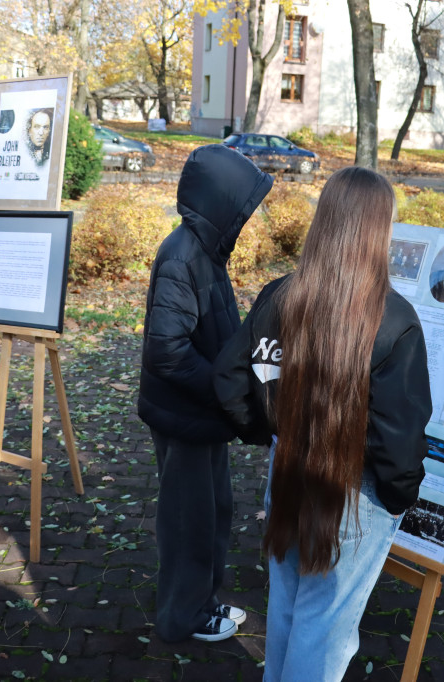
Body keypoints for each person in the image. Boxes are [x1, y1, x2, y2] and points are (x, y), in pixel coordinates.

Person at [213, 166, 432, 681]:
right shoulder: (395, 322)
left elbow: (228, 379)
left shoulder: (279, 296)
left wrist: (269, 430)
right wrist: (399, 497)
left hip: (288, 470)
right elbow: (399, 438)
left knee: (289, 606)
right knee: (325, 629)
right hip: (354, 493)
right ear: (379, 230)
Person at [137, 144, 273, 643]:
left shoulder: (205, 250)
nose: (246, 218)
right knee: (188, 524)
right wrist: (224, 387)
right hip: (185, 417)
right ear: (219, 202)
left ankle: (202, 603)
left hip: (204, 414)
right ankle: (183, 619)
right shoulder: (181, 257)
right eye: (240, 206)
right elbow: (166, 352)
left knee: (214, 511)